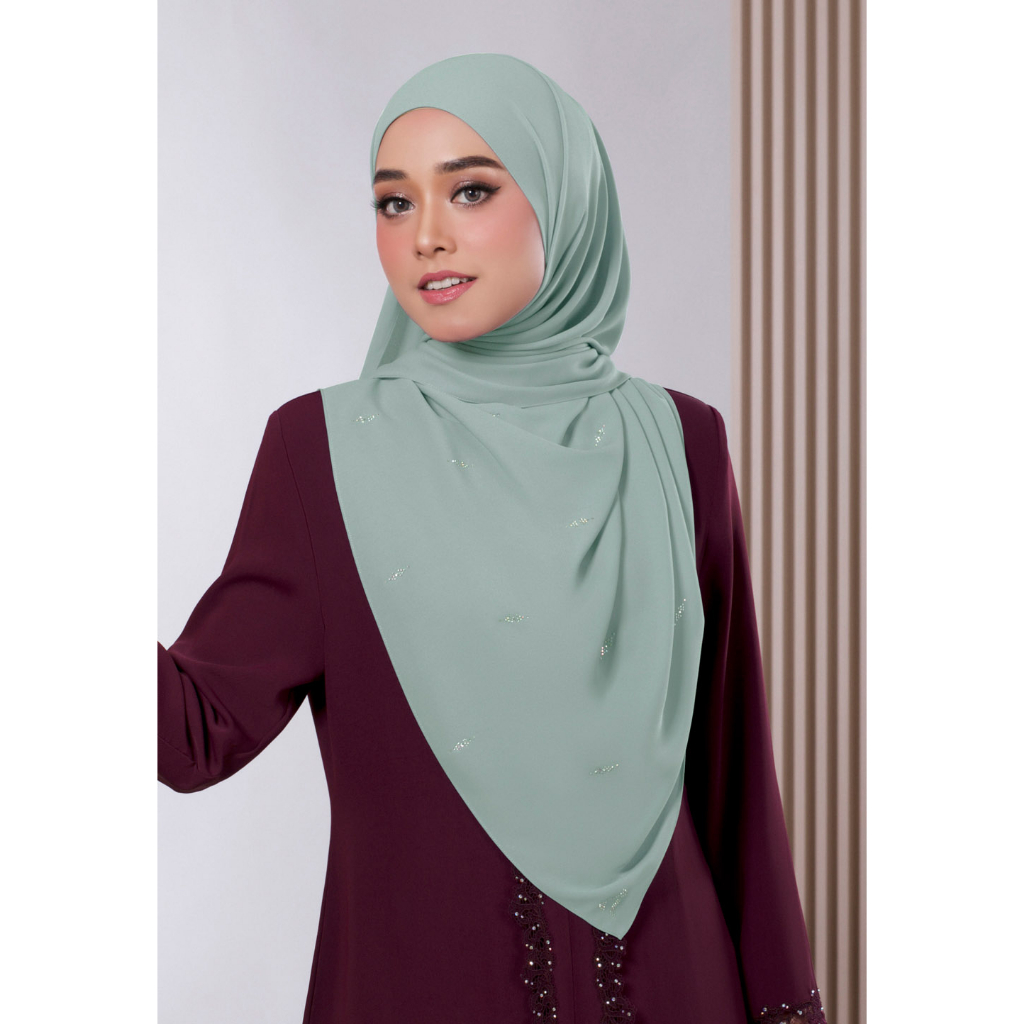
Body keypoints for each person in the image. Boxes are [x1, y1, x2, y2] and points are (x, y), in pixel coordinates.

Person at [158, 53, 826, 1024]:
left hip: (675, 990)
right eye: (394, 204)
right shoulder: (321, 451)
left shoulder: (682, 440)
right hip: (417, 990)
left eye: (470, 190)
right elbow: (195, 732)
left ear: (563, 199)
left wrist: (788, 1008)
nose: (426, 235)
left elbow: (733, 776)